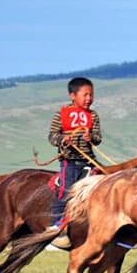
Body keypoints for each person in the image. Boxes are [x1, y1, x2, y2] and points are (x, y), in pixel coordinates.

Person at [48, 77, 102, 237]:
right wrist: (63, 140)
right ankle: (56, 223)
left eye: (91, 95)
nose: (89, 99)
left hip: (89, 160)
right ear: (72, 96)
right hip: (70, 160)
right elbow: (52, 136)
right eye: (85, 95)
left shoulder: (93, 116)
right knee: (67, 189)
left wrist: (90, 137)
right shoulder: (61, 114)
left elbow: (98, 139)